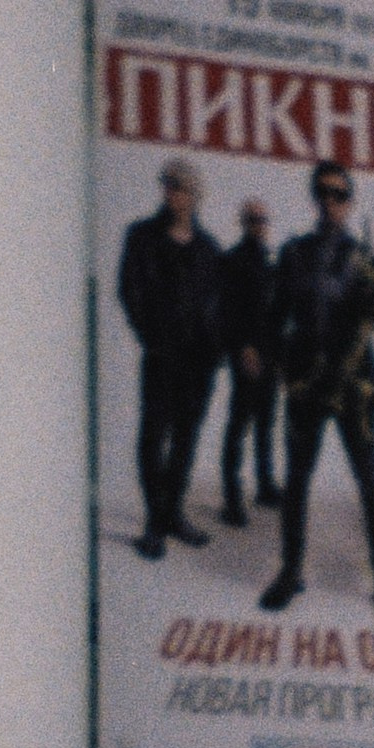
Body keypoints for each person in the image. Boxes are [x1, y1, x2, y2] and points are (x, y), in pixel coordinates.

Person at [259, 163, 374, 625]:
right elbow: (276, 315)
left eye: (340, 194)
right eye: (323, 192)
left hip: (354, 382)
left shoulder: (367, 258)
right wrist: (283, 364)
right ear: (314, 196)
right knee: (297, 481)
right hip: (306, 379)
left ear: (350, 201)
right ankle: (290, 571)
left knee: (369, 484)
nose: (331, 201)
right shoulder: (293, 253)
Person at [116, 157, 223, 559]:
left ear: (195, 195)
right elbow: (129, 290)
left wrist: (216, 350)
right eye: (167, 185)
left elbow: (219, 303)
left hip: (199, 363)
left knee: (186, 440)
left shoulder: (210, 248)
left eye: (179, 186)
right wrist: (150, 335)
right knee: (153, 437)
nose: (171, 192)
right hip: (163, 356)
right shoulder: (142, 236)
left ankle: (173, 513)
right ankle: (154, 522)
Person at [215, 196, 279, 525]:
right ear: (244, 222)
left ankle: (265, 486)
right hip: (247, 356)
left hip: (270, 356)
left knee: (267, 423)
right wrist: (241, 347)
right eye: (253, 219)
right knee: (239, 425)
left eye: (263, 219)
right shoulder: (233, 260)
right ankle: (231, 497)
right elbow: (226, 311)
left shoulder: (269, 261)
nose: (259, 225)